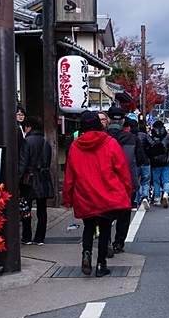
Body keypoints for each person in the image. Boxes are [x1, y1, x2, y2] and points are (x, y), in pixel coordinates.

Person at [63, 111, 131, 277]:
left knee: (88, 227)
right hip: (107, 194)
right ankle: (101, 264)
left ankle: (86, 254)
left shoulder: (75, 146)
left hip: (84, 194)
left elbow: (69, 176)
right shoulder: (110, 143)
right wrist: (127, 190)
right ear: (99, 125)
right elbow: (122, 170)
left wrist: (68, 197)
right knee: (105, 229)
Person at [106, 107, 140, 254]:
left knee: (105, 213)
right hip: (126, 182)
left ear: (108, 120)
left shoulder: (102, 137)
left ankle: (105, 241)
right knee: (124, 214)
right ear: (123, 121)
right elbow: (140, 160)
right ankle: (118, 243)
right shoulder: (132, 139)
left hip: (105, 182)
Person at [19, 116, 54, 245]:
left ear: (29, 127)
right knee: (42, 209)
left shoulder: (26, 141)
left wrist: (17, 179)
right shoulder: (46, 142)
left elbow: (23, 163)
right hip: (43, 178)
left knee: (25, 207)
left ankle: (27, 236)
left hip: (29, 179)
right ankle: (40, 237)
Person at [149, 120, 169, 208]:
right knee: (166, 180)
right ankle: (166, 193)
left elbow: (149, 149)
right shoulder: (168, 137)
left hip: (155, 162)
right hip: (165, 161)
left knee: (156, 181)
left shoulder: (151, 137)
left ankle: (157, 198)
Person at [131, 116, 152, 211]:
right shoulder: (145, 136)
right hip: (146, 160)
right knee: (145, 181)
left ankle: (135, 201)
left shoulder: (132, 136)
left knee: (135, 181)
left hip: (136, 161)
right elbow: (153, 144)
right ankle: (144, 196)